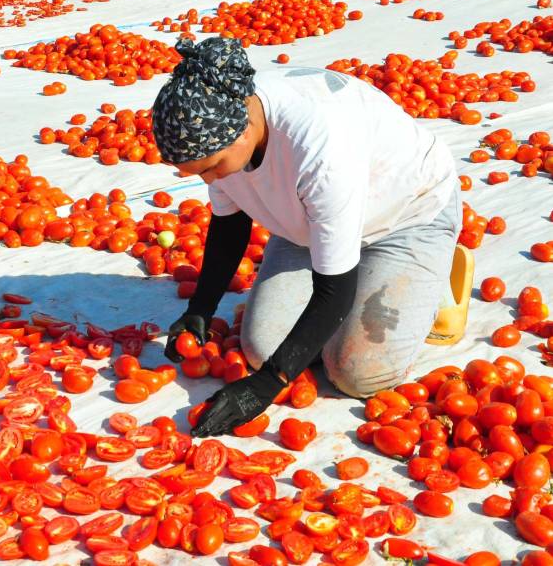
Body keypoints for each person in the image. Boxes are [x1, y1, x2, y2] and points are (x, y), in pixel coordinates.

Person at [152, 37, 462, 438]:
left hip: (404, 215)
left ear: (244, 132)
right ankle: (376, 281)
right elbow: (230, 225)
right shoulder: (223, 120)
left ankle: (431, 270)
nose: (210, 180)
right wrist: (201, 309)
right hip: (309, 223)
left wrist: (267, 385)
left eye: (212, 167)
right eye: (199, 173)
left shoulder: (318, 148)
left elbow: (332, 290)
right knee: (263, 349)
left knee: (356, 373)